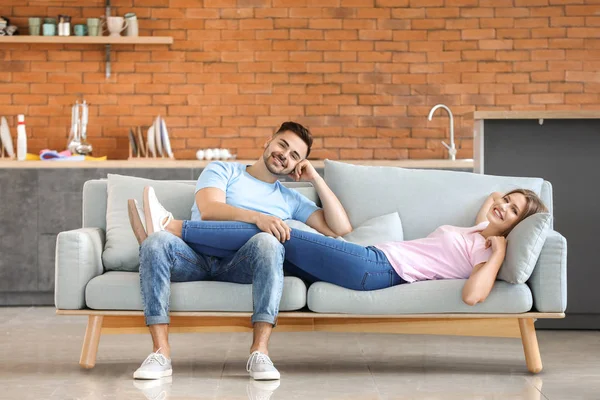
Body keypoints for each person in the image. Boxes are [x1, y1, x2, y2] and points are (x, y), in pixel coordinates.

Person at [127, 121, 352, 381]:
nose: (284, 155)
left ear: (296, 166)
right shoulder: (223, 170)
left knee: (269, 242)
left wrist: (315, 177)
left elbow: (340, 228)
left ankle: (260, 352)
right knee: (155, 242)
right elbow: (210, 210)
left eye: (295, 156)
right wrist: (259, 218)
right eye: (283, 145)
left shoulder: (290, 199)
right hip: (193, 256)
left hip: (240, 265)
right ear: (268, 141)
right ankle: (160, 353)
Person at [131, 189, 547, 309]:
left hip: (375, 267)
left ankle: (172, 228)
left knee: (280, 230)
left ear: (514, 226)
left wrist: (497, 250)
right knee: (267, 247)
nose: (502, 205)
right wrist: (502, 209)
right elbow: (491, 195)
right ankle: (171, 248)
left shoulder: (485, 248)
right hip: (369, 263)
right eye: (505, 200)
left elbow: (473, 295)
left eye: (511, 210)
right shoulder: (476, 226)